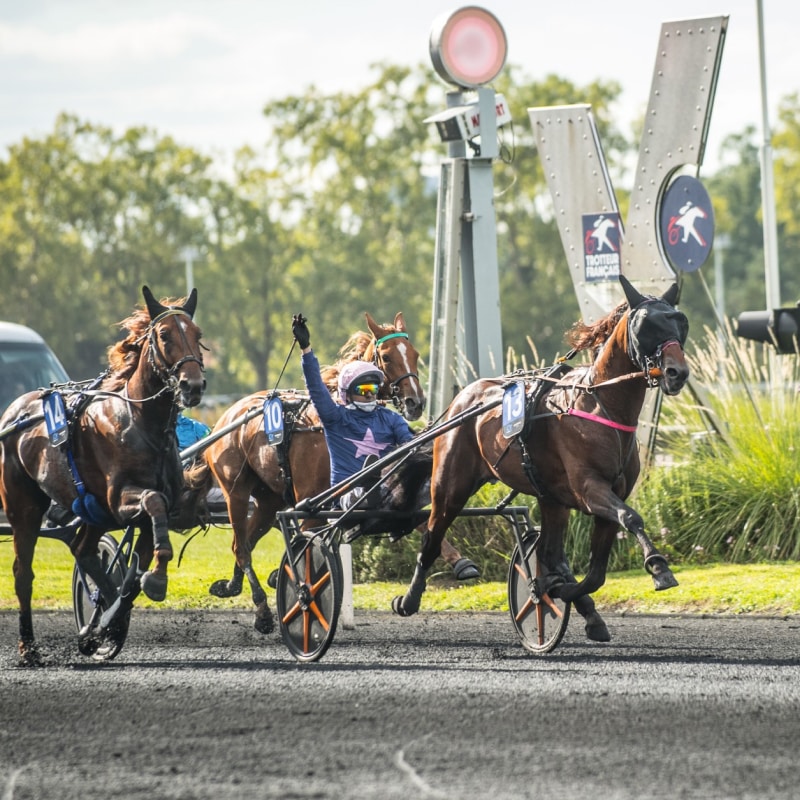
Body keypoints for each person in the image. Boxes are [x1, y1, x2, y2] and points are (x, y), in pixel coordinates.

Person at [292, 313, 413, 515]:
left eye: (374, 389)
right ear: (348, 393)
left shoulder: (390, 418)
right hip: (347, 498)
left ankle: (379, 487)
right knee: (360, 491)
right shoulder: (335, 418)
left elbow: (409, 444)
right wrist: (306, 350)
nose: (370, 395)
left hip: (388, 494)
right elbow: (316, 388)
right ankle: (368, 487)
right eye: (364, 390)